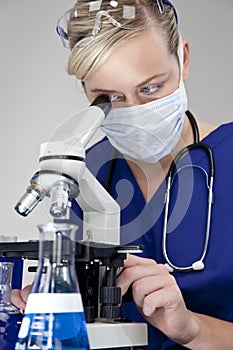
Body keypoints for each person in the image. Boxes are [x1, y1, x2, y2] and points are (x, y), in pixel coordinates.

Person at [12, 0, 233, 349]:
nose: (134, 110)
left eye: (150, 88)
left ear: (184, 60)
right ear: (86, 92)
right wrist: (59, 306)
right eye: (109, 97)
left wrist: (191, 329)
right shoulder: (90, 172)